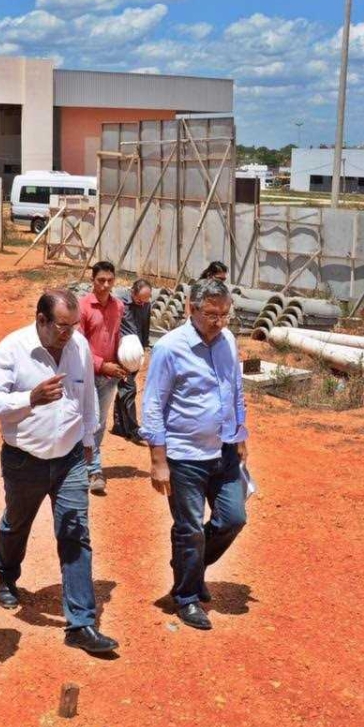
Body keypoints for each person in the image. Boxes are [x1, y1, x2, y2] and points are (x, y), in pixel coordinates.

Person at [0, 289, 118, 655]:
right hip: (25, 460)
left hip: (71, 457)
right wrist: (29, 398)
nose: (69, 333)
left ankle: (81, 623)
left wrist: (90, 441)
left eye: (74, 325)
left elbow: (87, 396)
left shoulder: (79, 348)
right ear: (41, 319)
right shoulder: (13, 349)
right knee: (17, 523)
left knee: (75, 533)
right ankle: (6, 576)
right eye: (61, 326)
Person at [141, 278, 248, 632]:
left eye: (224, 314)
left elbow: (235, 389)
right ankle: (186, 596)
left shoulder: (228, 341)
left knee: (232, 518)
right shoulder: (171, 348)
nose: (219, 321)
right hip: (184, 455)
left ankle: (192, 566)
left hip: (224, 449)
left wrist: (240, 433)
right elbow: (154, 403)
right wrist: (158, 460)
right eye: (211, 314)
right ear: (192, 308)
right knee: (189, 529)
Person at [77, 261, 126, 496]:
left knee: (100, 422)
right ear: (92, 281)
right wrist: (101, 364)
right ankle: (93, 470)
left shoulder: (119, 306)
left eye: (110, 280)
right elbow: (79, 343)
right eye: (101, 281)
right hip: (88, 374)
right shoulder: (83, 307)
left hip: (110, 376)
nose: (106, 285)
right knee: (90, 419)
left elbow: (118, 338)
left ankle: (89, 466)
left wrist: (123, 364)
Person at [111, 278, 152, 443]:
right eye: (140, 299)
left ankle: (119, 426)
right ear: (133, 292)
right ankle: (133, 430)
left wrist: (144, 347)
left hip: (136, 353)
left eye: (146, 299)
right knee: (129, 388)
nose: (142, 302)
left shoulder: (146, 305)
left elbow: (145, 327)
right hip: (123, 352)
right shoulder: (120, 303)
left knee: (124, 387)